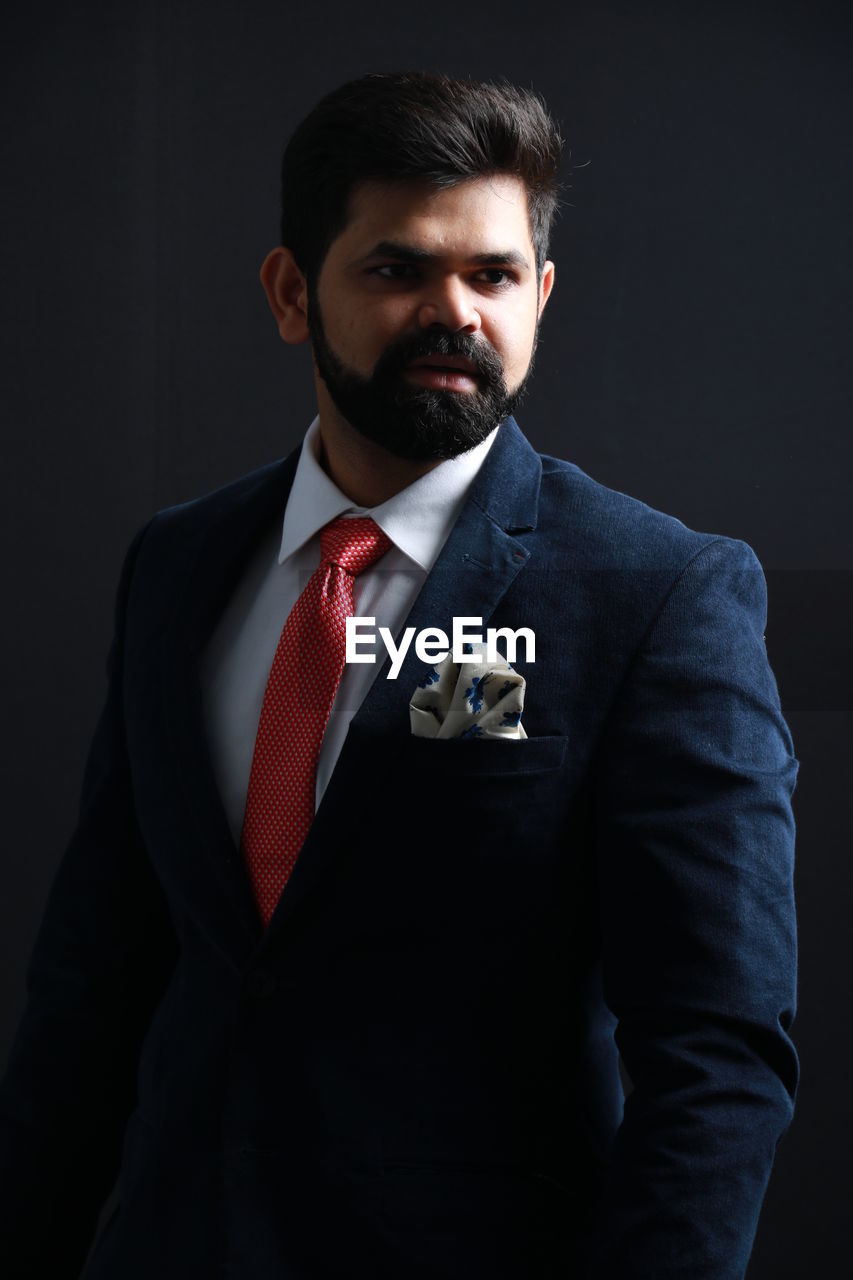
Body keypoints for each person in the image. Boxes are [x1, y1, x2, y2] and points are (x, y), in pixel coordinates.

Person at [0, 71, 798, 1279]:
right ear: (289, 293)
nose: (453, 310)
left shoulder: (657, 595)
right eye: (394, 270)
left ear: (539, 295)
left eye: (489, 274)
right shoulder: (176, 566)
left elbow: (717, 1055)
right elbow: (91, 983)